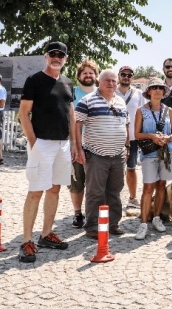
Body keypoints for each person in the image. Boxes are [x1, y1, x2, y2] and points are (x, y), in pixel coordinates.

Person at [17, 42, 75, 263]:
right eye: (53, 54)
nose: (57, 57)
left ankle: (46, 234)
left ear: (66, 59)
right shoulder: (34, 80)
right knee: (35, 191)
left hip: (62, 144)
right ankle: (26, 241)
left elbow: (70, 115)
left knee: (54, 189)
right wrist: (34, 143)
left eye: (61, 54)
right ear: (46, 56)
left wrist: (73, 144)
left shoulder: (67, 83)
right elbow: (24, 114)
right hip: (42, 143)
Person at [74, 69, 129, 238]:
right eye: (107, 81)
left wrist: (127, 146)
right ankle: (92, 226)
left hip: (118, 155)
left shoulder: (120, 101)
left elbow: (126, 124)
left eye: (114, 81)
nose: (111, 84)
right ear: (99, 81)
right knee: (95, 192)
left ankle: (112, 223)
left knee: (115, 191)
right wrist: (78, 149)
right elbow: (77, 126)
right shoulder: (87, 101)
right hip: (95, 154)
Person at [133, 78, 172, 240]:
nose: (158, 90)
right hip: (149, 154)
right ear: (149, 91)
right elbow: (137, 134)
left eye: (161, 88)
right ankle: (143, 223)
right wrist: (151, 136)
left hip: (166, 153)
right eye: (155, 88)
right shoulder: (141, 111)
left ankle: (157, 217)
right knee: (148, 187)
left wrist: (168, 138)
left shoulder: (169, 111)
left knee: (161, 186)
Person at [69, 60, 99, 229]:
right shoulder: (72, 93)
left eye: (91, 73)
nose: (88, 76)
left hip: (96, 143)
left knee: (95, 182)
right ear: (79, 76)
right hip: (76, 142)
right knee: (77, 180)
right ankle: (77, 212)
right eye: (84, 73)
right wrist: (73, 144)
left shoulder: (101, 93)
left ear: (95, 76)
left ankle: (93, 213)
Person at [116, 66, 145, 210]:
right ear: (118, 76)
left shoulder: (138, 93)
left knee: (131, 168)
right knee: (114, 170)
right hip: (114, 136)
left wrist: (141, 135)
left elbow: (142, 115)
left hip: (133, 137)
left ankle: (133, 198)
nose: (126, 77)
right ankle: (113, 199)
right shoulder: (111, 91)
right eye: (123, 74)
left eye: (129, 75)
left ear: (132, 78)